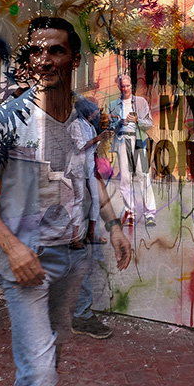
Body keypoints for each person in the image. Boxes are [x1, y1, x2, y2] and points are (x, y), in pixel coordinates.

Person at [0, 17, 132, 386]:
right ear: (28, 61)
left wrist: (114, 226)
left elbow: (89, 174)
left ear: (74, 59)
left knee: (53, 347)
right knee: (34, 373)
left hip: (73, 255)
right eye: (36, 51)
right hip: (29, 261)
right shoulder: (5, 121)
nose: (45, 59)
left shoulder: (87, 114)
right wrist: (13, 250)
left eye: (56, 50)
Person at [67, 101, 115, 339]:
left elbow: (92, 149)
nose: (97, 113)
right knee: (78, 203)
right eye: (95, 110)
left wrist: (102, 136)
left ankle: (90, 232)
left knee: (93, 201)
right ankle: (77, 235)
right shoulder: (76, 125)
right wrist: (98, 138)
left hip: (87, 170)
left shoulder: (88, 126)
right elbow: (80, 147)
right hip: (76, 171)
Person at [107, 75, 156, 227]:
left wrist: (137, 120)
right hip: (122, 140)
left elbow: (149, 123)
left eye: (128, 86)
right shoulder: (113, 105)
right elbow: (109, 126)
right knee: (125, 179)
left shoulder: (141, 102)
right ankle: (130, 213)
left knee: (143, 176)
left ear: (131, 86)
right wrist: (118, 123)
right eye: (123, 86)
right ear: (119, 87)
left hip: (138, 140)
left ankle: (150, 214)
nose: (125, 89)